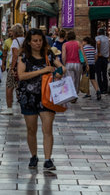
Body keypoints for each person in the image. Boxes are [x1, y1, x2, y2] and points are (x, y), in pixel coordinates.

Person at [17, 28, 65, 171]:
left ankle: (48, 159)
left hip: (47, 96)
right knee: (31, 129)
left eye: (40, 40)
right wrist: (43, 70)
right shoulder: (23, 56)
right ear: (29, 42)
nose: (38, 43)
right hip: (28, 97)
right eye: (35, 41)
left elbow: (62, 68)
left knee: (47, 128)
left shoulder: (49, 55)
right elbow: (21, 75)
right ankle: (33, 156)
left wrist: (59, 73)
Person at [2, 24, 24, 115]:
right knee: (21, 86)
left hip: (16, 66)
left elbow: (15, 55)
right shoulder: (26, 40)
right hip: (24, 66)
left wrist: (12, 68)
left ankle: (9, 108)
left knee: (9, 87)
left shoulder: (15, 42)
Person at [62, 30, 86, 99]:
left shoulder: (65, 44)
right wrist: (86, 64)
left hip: (68, 64)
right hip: (77, 64)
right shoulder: (78, 43)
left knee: (70, 80)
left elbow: (63, 56)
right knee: (77, 79)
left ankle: (72, 94)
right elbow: (83, 54)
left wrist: (64, 64)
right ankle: (75, 93)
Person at [95, 28, 110, 94]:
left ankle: (101, 89)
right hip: (105, 57)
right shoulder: (107, 38)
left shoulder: (98, 37)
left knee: (98, 74)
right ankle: (105, 88)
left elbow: (98, 43)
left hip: (100, 57)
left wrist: (98, 52)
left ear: (98, 33)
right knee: (104, 73)